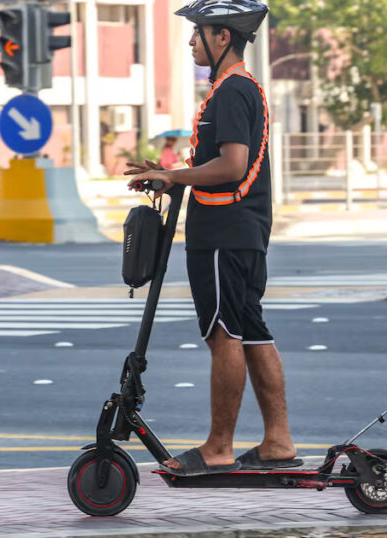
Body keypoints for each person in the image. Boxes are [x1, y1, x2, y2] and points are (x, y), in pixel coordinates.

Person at [126, 0, 301, 477]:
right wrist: (170, 176)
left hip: (224, 234)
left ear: (223, 37)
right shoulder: (238, 89)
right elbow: (218, 166)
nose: (191, 41)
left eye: (198, 32)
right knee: (252, 332)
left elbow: (232, 165)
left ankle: (219, 447)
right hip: (240, 231)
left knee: (224, 335)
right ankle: (278, 441)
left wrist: (174, 176)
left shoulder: (232, 91)